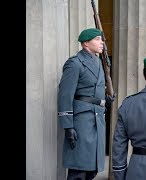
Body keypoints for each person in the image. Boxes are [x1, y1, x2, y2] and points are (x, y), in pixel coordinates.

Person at [57, 28, 115, 180]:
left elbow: (93, 90)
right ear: (86, 43)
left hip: (97, 120)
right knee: (79, 170)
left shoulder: (98, 62)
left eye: (101, 39)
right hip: (82, 121)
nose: (101, 42)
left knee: (92, 170)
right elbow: (65, 95)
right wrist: (68, 125)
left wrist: (104, 100)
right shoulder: (75, 64)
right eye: (97, 39)